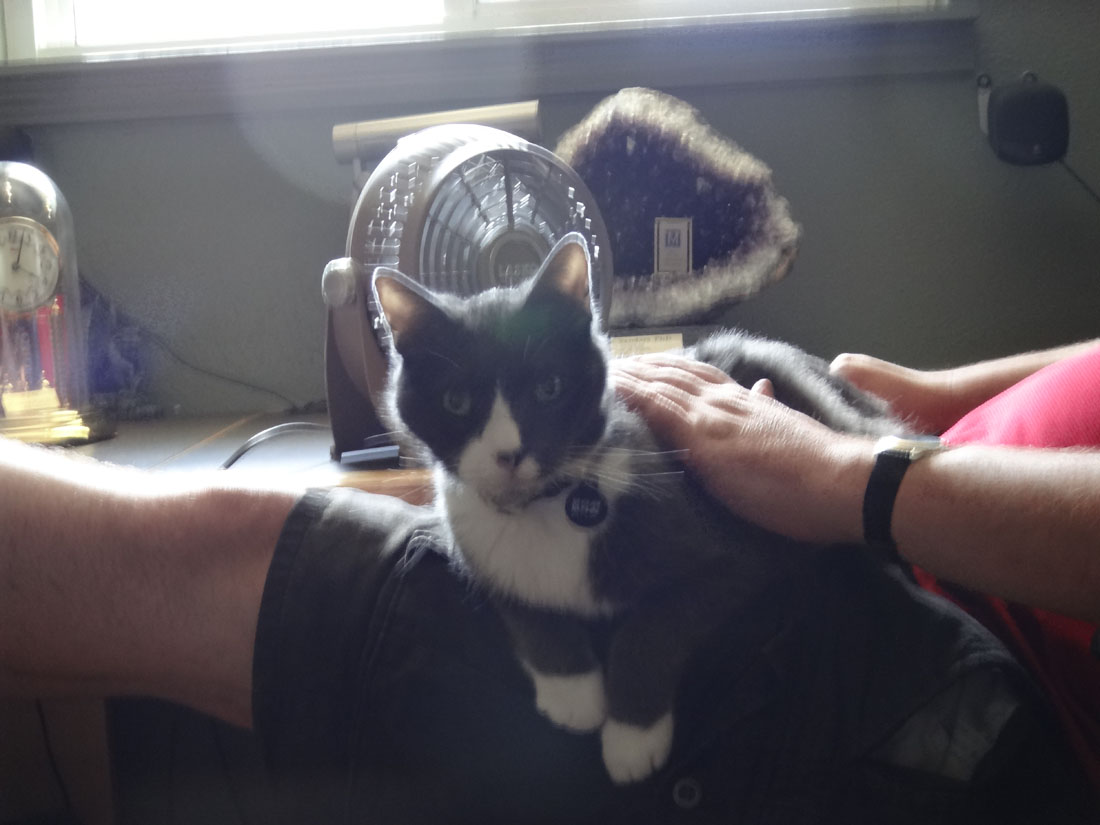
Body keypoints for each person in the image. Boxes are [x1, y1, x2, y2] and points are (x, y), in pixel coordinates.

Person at [1, 339, 1098, 821]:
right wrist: (910, 401)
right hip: (908, 508)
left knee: (241, 554)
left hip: (945, 699)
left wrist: (851, 476)